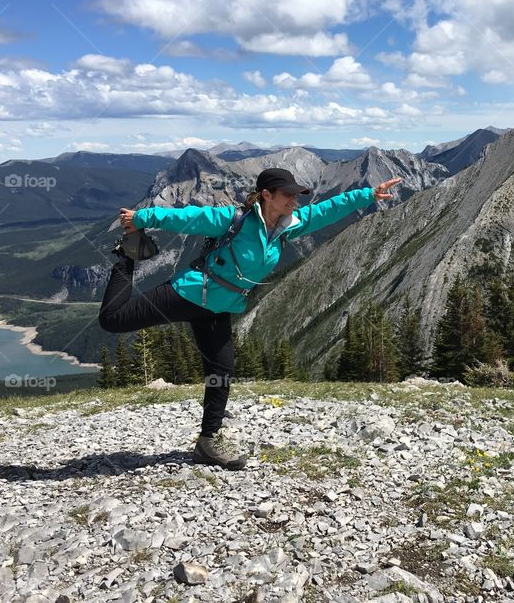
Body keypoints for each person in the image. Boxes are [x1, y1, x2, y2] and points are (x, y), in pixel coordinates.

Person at [98, 168, 402, 470]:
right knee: (112, 320)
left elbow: (326, 211)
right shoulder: (234, 220)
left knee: (222, 369)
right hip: (188, 294)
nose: (294, 200)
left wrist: (367, 194)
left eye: (297, 195)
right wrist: (140, 218)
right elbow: (185, 217)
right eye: (288, 195)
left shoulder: (288, 226)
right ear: (266, 195)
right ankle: (126, 257)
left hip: (219, 308)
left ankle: (208, 441)